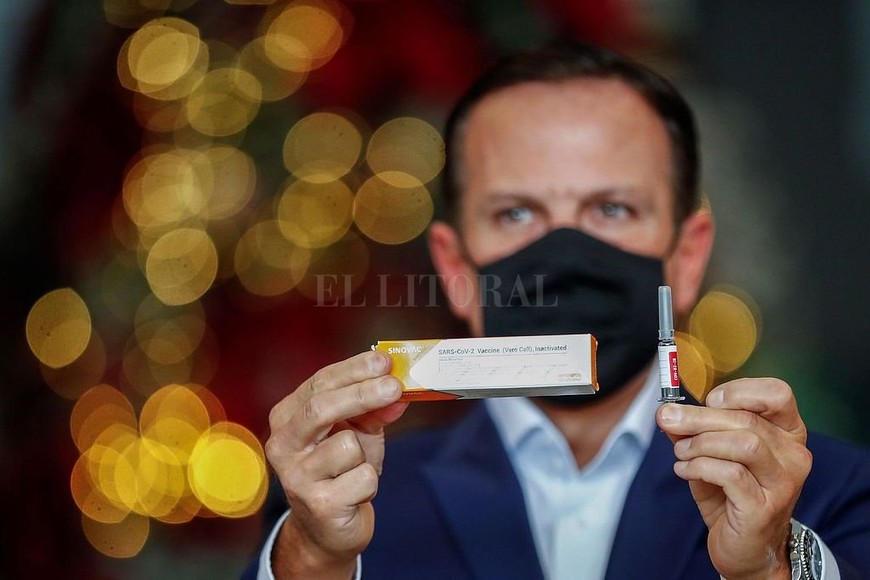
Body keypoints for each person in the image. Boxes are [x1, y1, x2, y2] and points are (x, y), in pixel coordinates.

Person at [245, 42, 870, 579]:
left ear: (685, 258)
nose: (566, 256)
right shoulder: (342, 498)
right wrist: (313, 559)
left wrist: (769, 567)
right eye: (516, 213)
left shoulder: (822, 490)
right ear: (457, 271)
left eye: (612, 209)